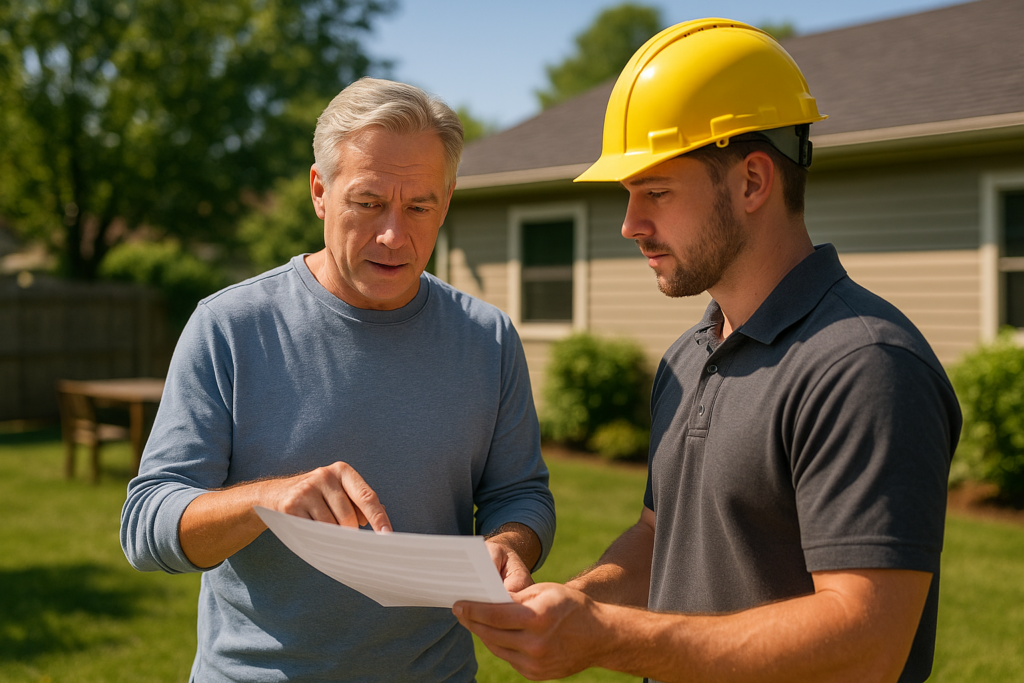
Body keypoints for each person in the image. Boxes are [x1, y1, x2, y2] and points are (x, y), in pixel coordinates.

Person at [454, 19, 960, 683]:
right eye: (628, 195)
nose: (631, 225)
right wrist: (572, 602)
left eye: (656, 192)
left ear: (752, 181)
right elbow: (659, 540)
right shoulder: (688, 356)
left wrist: (607, 635)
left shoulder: (863, 365)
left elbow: (867, 642)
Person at [121, 77, 555, 683]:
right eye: (369, 202)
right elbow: (146, 527)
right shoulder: (229, 325)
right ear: (320, 191)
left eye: (420, 206)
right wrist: (267, 501)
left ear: (448, 200)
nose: (393, 236)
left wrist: (511, 545)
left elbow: (521, 494)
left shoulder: (488, 338)